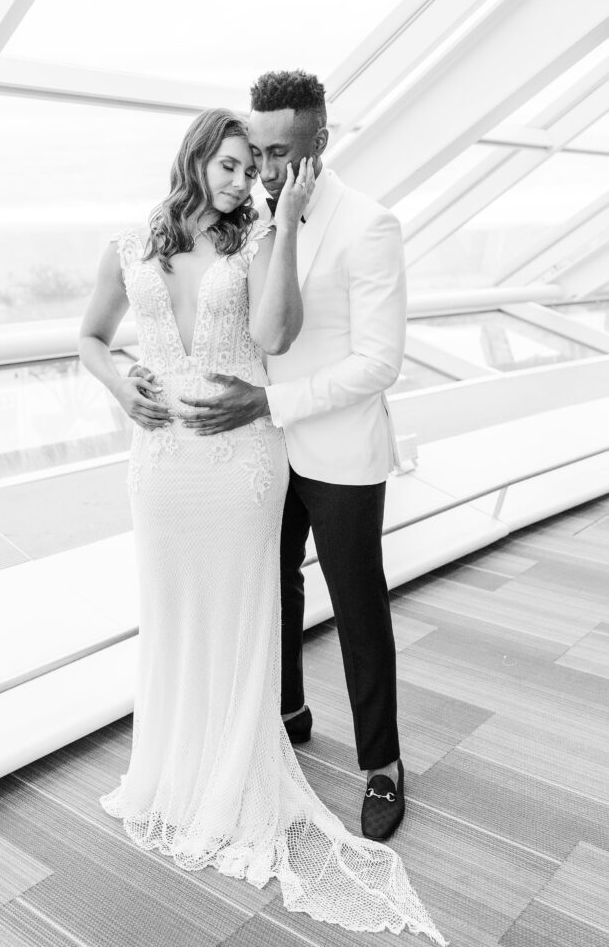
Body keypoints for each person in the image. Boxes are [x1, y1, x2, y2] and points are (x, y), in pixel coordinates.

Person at [79, 108, 445, 943]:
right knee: (182, 610)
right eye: (236, 163)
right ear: (198, 156)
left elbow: (293, 338)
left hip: (260, 450)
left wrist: (275, 230)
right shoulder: (128, 242)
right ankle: (202, 753)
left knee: (312, 601)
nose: (248, 178)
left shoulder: (270, 236)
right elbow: (90, 339)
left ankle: (373, 763)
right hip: (161, 465)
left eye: (259, 164)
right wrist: (119, 381)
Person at [173, 71, 407, 844]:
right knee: (273, 591)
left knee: (357, 606)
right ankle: (288, 714)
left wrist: (268, 404)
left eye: (281, 151)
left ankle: (382, 766)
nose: (266, 170)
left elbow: (377, 362)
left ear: (321, 141)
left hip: (339, 453)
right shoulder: (252, 218)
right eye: (257, 152)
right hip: (262, 451)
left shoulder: (370, 224)